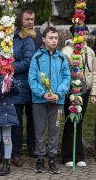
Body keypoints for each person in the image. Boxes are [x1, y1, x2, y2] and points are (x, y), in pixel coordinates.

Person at [0, 8, 36, 166]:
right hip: (1, 85)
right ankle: (1, 154)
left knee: (15, 121)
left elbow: (28, 61)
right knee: (2, 120)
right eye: (27, 19)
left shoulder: (27, 39)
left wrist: (9, 68)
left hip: (18, 87)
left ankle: (15, 153)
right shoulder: (1, 37)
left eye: (32, 19)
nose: (31, 22)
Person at [28, 26, 71, 174]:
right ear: (44, 39)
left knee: (55, 129)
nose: (54, 40)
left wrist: (59, 94)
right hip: (39, 101)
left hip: (57, 101)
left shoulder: (61, 58)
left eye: (56, 38)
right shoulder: (37, 57)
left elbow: (67, 77)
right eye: (51, 38)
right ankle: (40, 158)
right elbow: (32, 79)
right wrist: (42, 93)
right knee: (39, 129)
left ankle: (52, 158)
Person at [61, 25, 96, 167]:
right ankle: (67, 155)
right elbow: (62, 72)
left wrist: (93, 92)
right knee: (71, 121)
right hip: (71, 91)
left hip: (85, 91)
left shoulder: (90, 51)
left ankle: (79, 155)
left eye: (87, 34)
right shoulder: (67, 51)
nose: (85, 37)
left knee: (79, 121)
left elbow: (94, 72)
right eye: (82, 34)